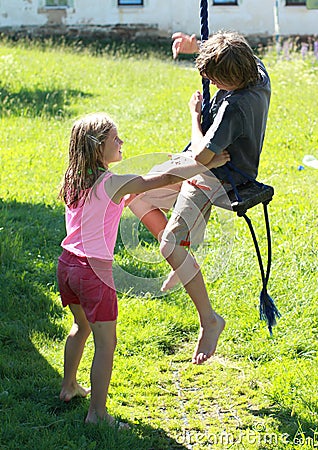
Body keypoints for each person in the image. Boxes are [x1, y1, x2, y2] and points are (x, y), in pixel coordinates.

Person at [56, 112, 230, 425]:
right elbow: (162, 180)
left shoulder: (74, 180)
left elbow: (120, 200)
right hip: (94, 273)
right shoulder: (113, 183)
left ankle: (68, 386)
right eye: (115, 140)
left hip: (67, 265)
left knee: (80, 327)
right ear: (98, 148)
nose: (122, 143)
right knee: (106, 344)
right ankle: (97, 414)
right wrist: (207, 164)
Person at [129, 31, 271, 365]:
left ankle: (210, 319)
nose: (208, 81)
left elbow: (199, 157)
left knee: (167, 245)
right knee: (134, 196)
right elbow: (232, 50)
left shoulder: (233, 108)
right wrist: (197, 46)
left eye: (212, 77)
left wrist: (194, 113)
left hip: (218, 178)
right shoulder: (258, 73)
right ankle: (185, 256)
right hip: (212, 169)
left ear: (226, 79)